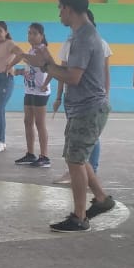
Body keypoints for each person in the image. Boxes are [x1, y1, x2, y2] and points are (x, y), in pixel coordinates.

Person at [23, 0, 117, 232]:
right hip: (84, 108)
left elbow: (73, 77)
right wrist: (48, 63)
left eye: (60, 8)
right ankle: (101, 199)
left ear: (68, 8)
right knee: (78, 157)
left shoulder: (84, 37)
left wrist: (45, 65)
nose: (59, 14)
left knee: (75, 161)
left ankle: (79, 216)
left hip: (88, 108)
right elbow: (69, 71)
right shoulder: (82, 35)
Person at [52, 10, 111, 183]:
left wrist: (106, 95)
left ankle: (92, 172)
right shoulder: (69, 43)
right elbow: (62, 70)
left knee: (90, 139)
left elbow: (105, 72)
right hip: (72, 99)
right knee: (74, 141)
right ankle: (78, 175)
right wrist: (58, 97)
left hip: (91, 101)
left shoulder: (98, 42)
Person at [13, 23, 52, 168]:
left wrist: (45, 83)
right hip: (29, 90)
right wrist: (19, 72)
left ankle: (45, 156)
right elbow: (32, 69)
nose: (31, 36)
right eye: (29, 33)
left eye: (35, 33)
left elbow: (47, 65)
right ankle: (30, 154)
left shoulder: (43, 50)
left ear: (41, 36)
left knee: (39, 123)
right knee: (27, 121)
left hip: (40, 92)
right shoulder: (31, 49)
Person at [0, 21, 23, 152]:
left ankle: (1, 141)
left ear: (6, 32)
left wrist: (11, 65)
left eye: (0, 30)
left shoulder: (9, 43)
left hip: (5, 80)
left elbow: (20, 53)